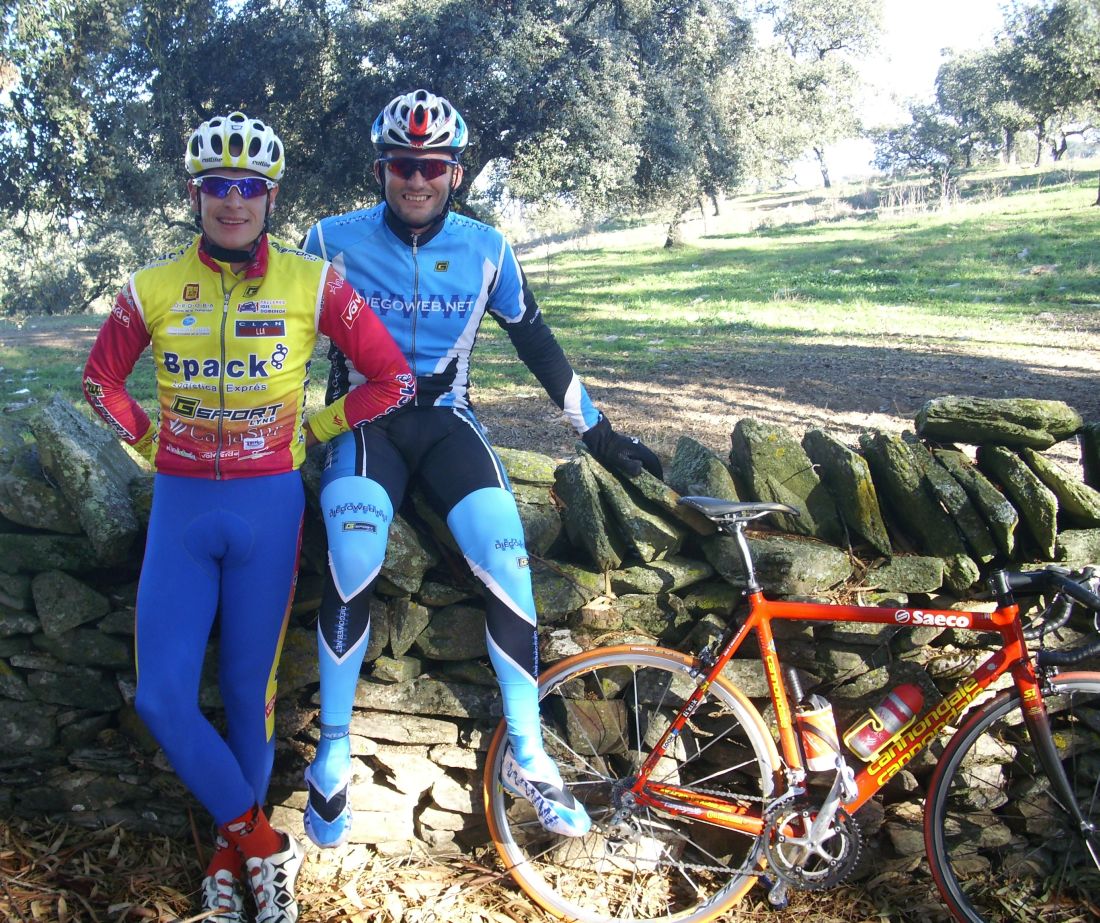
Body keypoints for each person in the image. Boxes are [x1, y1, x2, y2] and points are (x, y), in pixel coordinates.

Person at [300, 89, 662, 848]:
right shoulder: (330, 239)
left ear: (455, 174)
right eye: (403, 165)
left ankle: (528, 754)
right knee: (355, 552)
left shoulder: (487, 247)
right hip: (364, 424)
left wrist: (597, 433)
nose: (416, 180)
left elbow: (537, 341)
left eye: (432, 167)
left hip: (449, 423)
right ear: (380, 169)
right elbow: (281, 336)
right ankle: (331, 753)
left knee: (506, 556)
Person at [82, 111, 414, 923]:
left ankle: (228, 865)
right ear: (194, 194)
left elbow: (393, 379)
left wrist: (315, 429)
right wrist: (150, 440)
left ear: (271, 197)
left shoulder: (313, 282)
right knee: (162, 698)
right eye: (217, 186)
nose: (233, 201)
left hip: (269, 505)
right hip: (183, 505)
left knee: (247, 696)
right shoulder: (152, 287)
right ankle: (266, 845)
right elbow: (100, 382)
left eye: (250, 187)